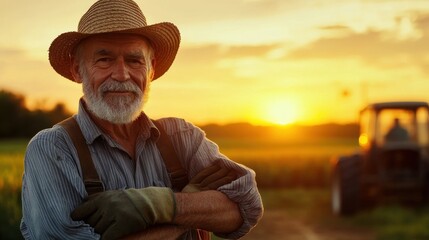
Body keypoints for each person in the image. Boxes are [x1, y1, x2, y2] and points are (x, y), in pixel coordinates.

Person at [20, 0, 263, 239]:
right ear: (77, 69)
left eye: (134, 60)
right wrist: (186, 214)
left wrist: (160, 204)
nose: (122, 74)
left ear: (151, 68)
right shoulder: (53, 148)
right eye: (104, 59)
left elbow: (245, 204)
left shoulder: (181, 136)